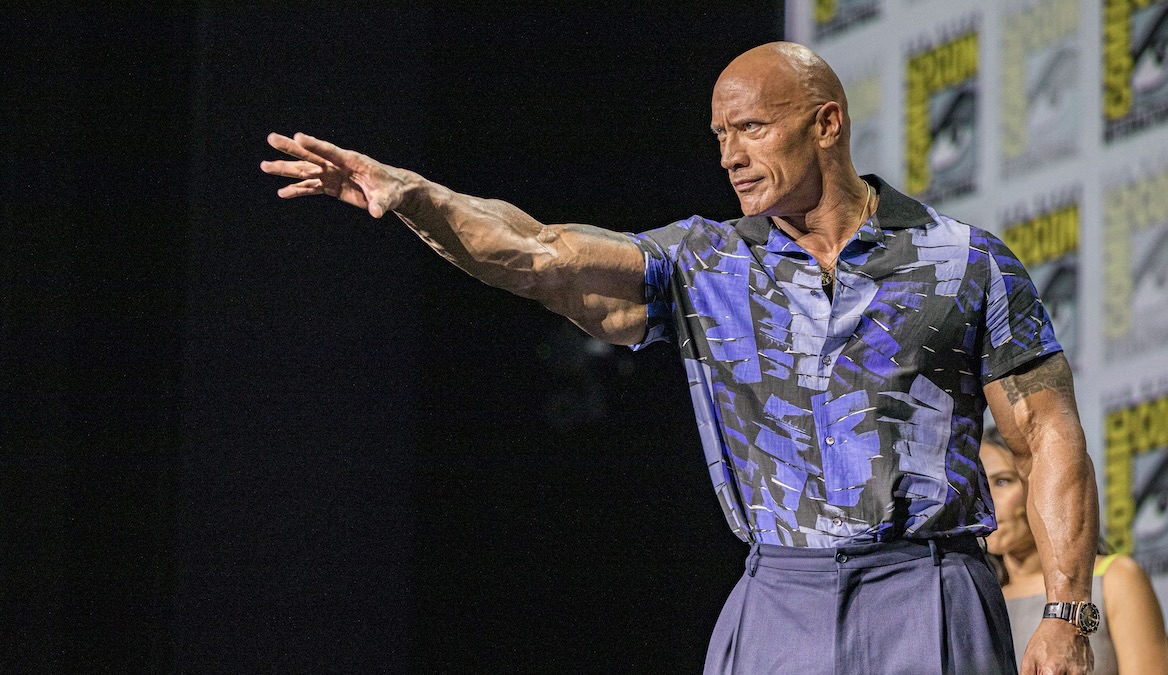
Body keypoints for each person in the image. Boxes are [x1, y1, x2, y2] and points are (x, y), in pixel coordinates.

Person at [261, 41, 1100, 674]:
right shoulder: (704, 262)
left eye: (751, 128)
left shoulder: (962, 260)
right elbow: (540, 252)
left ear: (827, 123)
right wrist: (416, 196)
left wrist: (1066, 608)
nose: (730, 154)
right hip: (779, 596)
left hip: (927, 590)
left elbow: (1049, 432)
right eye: (719, 134)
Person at [981, 427, 1168, 674]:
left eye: (1002, 481)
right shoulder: (982, 596)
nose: (985, 499)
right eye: (977, 486)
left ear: (1044, 485)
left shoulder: (1115, 578)